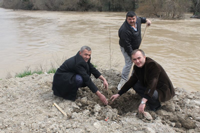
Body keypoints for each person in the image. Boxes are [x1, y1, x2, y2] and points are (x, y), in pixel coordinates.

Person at [110, 49, 175, 113]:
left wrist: (143, 101)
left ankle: (155, 105)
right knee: (135, 85)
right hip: (151, 86)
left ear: (144, 57)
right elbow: (131, 81)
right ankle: (148, 99)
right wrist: (119, 93)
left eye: (139, 58)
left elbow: (153, 83)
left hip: (163, 90)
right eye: (134, 59)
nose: (137, 61)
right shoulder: (137, 67)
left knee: (150, 93)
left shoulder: (152, 65)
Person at [117, 11, 151, 90]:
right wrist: (133, 56)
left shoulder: (138, 20)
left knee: (139, 61)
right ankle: (124, 79)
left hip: (136, 46)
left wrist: (147, 20)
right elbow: (127, 46)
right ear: (126, 19)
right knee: (130, 62)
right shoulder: (124, 30)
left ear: (135, 18)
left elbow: (142, 19)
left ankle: (134, 77)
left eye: (133, 19)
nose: (132, 21)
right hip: (126, 47)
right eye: (129, 19)